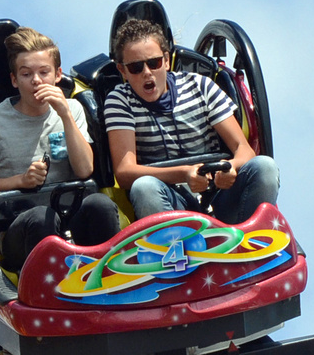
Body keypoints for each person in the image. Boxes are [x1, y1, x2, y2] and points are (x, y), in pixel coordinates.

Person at [0, 27, 121, 271]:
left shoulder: (72, 109)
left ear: (57, 75)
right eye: (27, 74)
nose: (36, 80)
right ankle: (48, 289)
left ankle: (115, 275)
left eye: (43, 72)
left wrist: (65, 116)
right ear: (15, 80)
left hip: (71, 214)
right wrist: (21, 180)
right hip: (20, 227)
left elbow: (84, 170)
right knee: (42, 217)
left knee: (100, 205)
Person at [103, 17, 280, 224]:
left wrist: (229, 167)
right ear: (122, 70)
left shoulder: (200, 86)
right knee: (145, 187)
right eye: (136, 68)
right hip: (170, 201)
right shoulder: (119, 100)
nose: (147, 73)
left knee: (265, 166)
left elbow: (244, 150)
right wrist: (185, 174)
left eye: (154, 63)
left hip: (219, 197)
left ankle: (253, 242)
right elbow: (125, 172)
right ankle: (171, 250)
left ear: (166, 61)